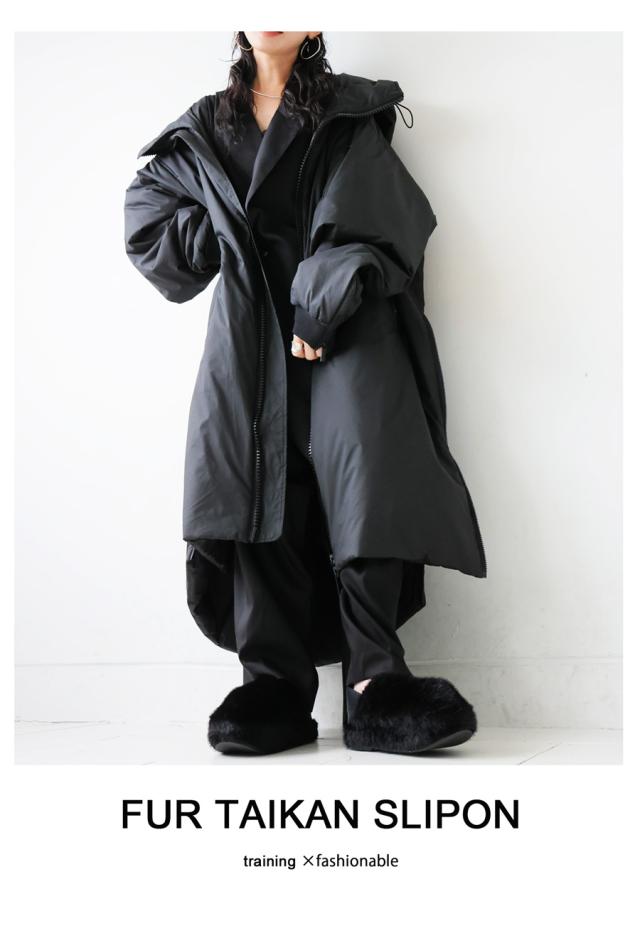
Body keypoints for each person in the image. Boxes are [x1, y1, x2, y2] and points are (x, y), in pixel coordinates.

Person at [123, 31, 486, 756]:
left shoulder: (345, 111)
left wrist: (318, 305)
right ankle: (273, 687)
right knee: (257, 492)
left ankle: (375, 685)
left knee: (366, 485)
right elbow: (149, 225)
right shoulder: (206, 125)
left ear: (315, 26)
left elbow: (377, 218)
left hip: (347, 331)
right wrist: (216, 232)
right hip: (249, 338)